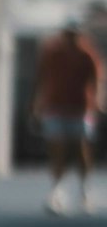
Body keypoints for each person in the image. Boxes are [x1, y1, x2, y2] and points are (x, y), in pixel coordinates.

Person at [32, 18, 103, 213]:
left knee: (81, 148)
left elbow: (97, 78)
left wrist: (97, 103)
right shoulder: (52, 52)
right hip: (55, 106)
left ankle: (85, 188)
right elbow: (41, 78)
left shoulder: (86, 53)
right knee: (57, 148)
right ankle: (57, 190)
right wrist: (36, 105)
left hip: (80, 108)